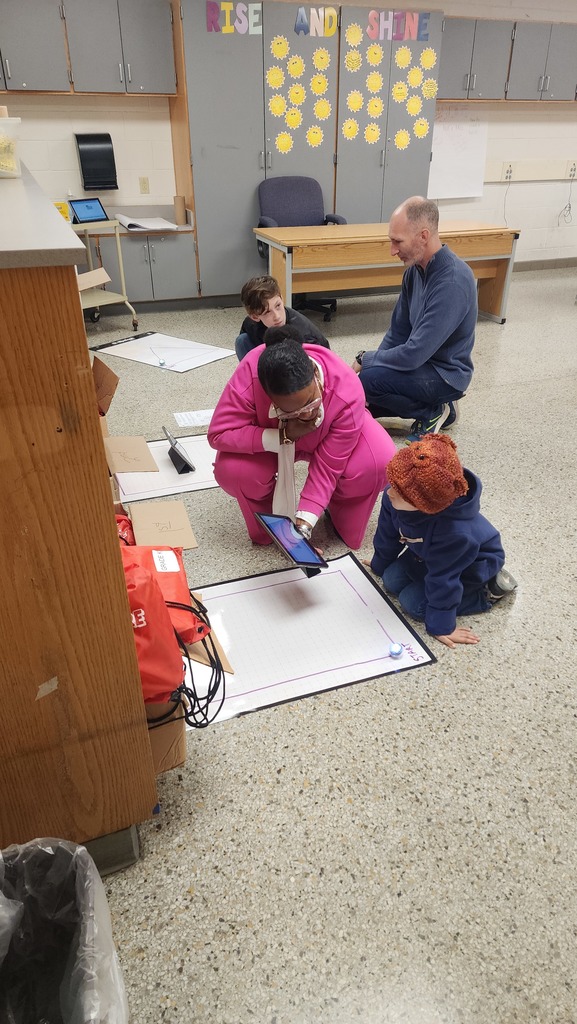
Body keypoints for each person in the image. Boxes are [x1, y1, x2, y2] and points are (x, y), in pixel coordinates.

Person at [208, 338, 396, 550]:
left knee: (378, 460)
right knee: (235, 470)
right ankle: (270, 523)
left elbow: (328, 467)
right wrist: (282, 435)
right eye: (292, 411)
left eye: (311, 401)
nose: (307, 414)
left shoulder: (347, 387)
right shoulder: (251, 373)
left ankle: (335, 507)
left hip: (331, 439)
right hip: (273, 442)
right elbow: (219, 433)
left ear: (316, 375)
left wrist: (304, 523)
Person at [367, 434, 517, 648]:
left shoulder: (456, 534)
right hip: (427, 554)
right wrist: (378, 563)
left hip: (471, 565)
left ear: (424, 506)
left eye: (399, 493)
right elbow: (387, 534)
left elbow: (445, 578)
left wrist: (442, 624)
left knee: (413, 604)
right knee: (390, 579)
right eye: (392, 483)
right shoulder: (395, 496)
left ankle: (486, 594)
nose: (389, 492)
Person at [353, 196, 477, 443]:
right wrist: (371, 368)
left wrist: (366, 359)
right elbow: (397, 334)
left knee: (368, 378)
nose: (392, 250)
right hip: (420, 367)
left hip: (445, 374)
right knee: (362, 387)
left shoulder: (452, 281)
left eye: (397, 241)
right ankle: (433, 406)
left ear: (423, 236)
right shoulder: (414, 272)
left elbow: (414, 353)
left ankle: (434, 410)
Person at [235, 275, 330, 361]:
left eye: (278, 306)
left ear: (281, 298)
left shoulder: (304, 335)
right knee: (242, 341)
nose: (277, 316)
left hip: (303, 368)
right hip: (271, 359)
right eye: (267, 312)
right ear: (255, 317)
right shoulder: (250, 324)